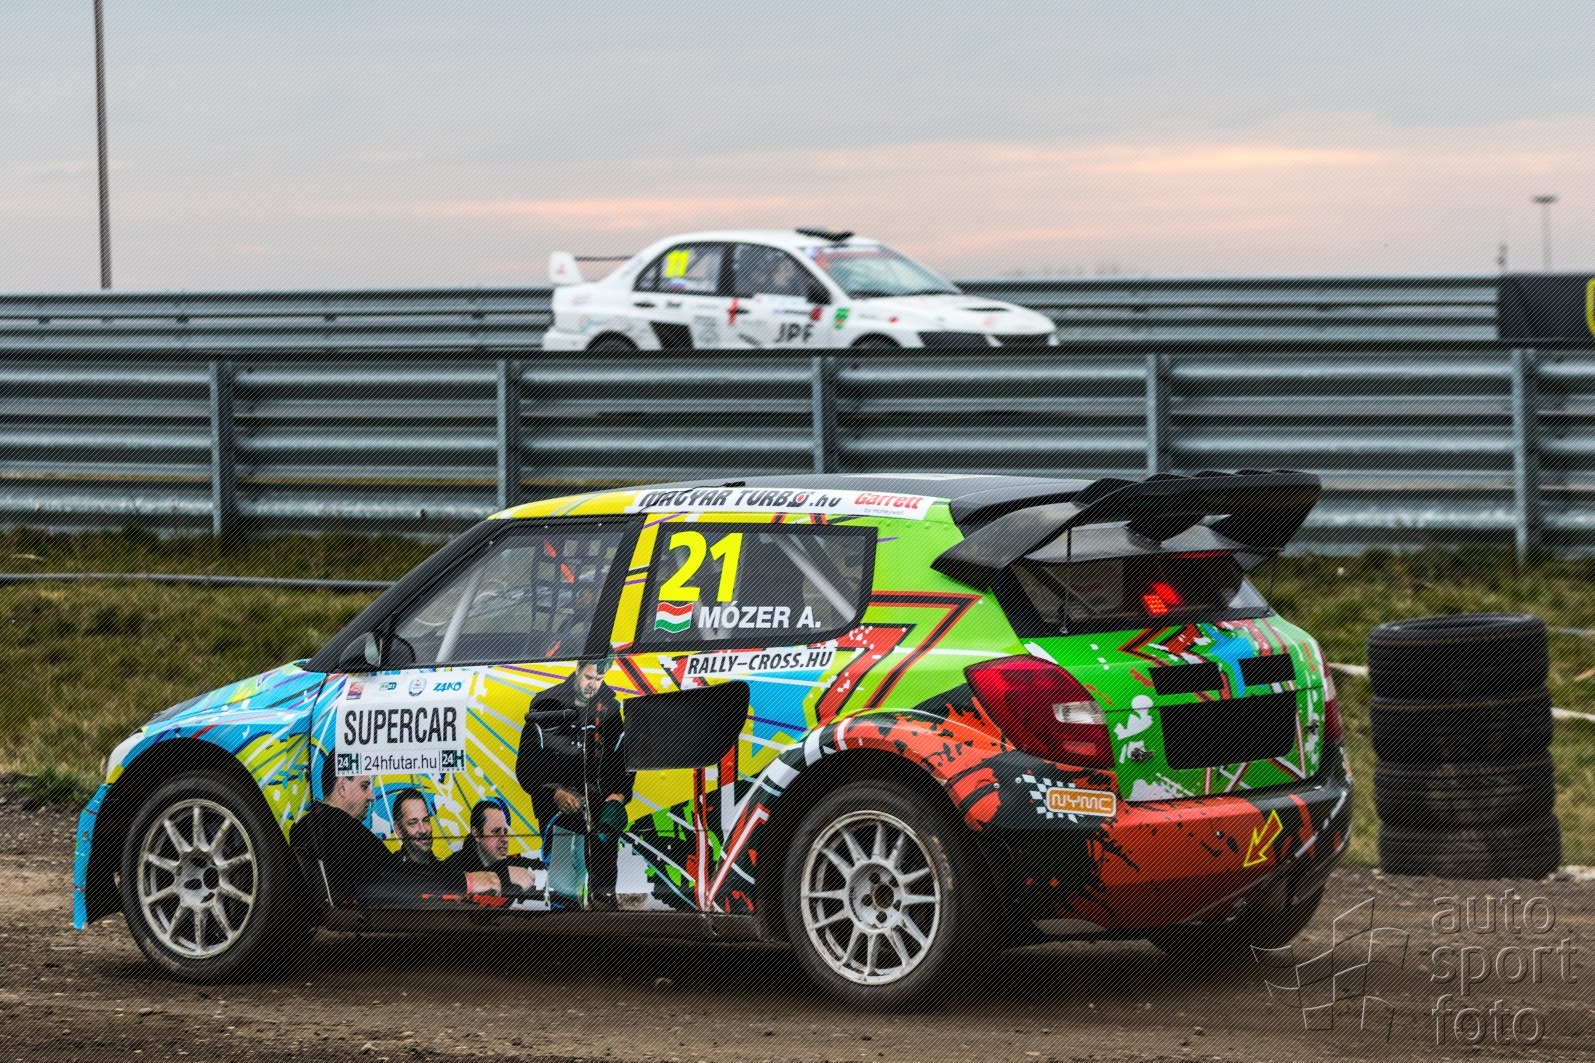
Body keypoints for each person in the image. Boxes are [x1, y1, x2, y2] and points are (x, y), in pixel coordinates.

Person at [289, 754, 532, 905]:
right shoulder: (336, 828)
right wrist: (468, 881)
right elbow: (397, 879)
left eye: (426, 820)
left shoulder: (326, 827)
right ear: (342, 786)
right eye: (364, 786)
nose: (371, 796)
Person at [515, 657, 634, 909]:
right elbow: (526, 768)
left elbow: (623, 758)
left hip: (600, 815)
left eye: (599, 679)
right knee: (565, 893)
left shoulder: (610, 708)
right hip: (559, 816)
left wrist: (618, 796)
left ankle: (605, 921)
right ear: (578, 669)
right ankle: (566, 926)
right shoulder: (546, 704)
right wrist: (555, 793)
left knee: (603, 890)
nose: (593, 684)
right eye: (589, 677)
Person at [441, 798, 535, 874]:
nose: (505, 839)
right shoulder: (451, 870)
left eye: (505, 832)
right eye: (496, 831)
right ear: (476, 834)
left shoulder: (510, 864)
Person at [390, 787, 437, 865]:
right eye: (413, 823)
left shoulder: (445, 869)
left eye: (426, 820)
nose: (423, 830)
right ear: (399, 830)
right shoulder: (391, 870)